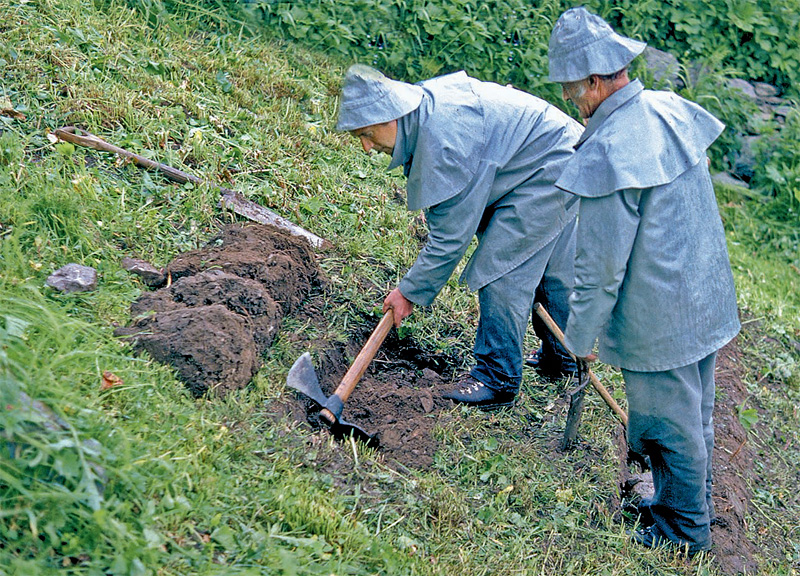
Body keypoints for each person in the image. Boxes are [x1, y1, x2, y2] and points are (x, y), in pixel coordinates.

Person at [547, 7, 741, 554]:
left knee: (665, 423)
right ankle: (687, 502)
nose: (569, 99)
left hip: (661, 315)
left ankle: (683, 532)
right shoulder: (668, 110)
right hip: (702, 294)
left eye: (569, 87)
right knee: (694, 413)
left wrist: (579, 340)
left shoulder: (612, 150)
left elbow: (599, 269)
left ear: (592, 80)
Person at [336, 64, 582, 409]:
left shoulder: (442, 142)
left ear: (391, 116)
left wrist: (408, 292)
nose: (366, 147)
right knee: (550, 266)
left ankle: (496, 379)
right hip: (562, 151)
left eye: (366, 133)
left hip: (551, 166)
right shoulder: (425, 113)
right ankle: (563, 359)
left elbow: (450, 239)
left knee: (502, 270)